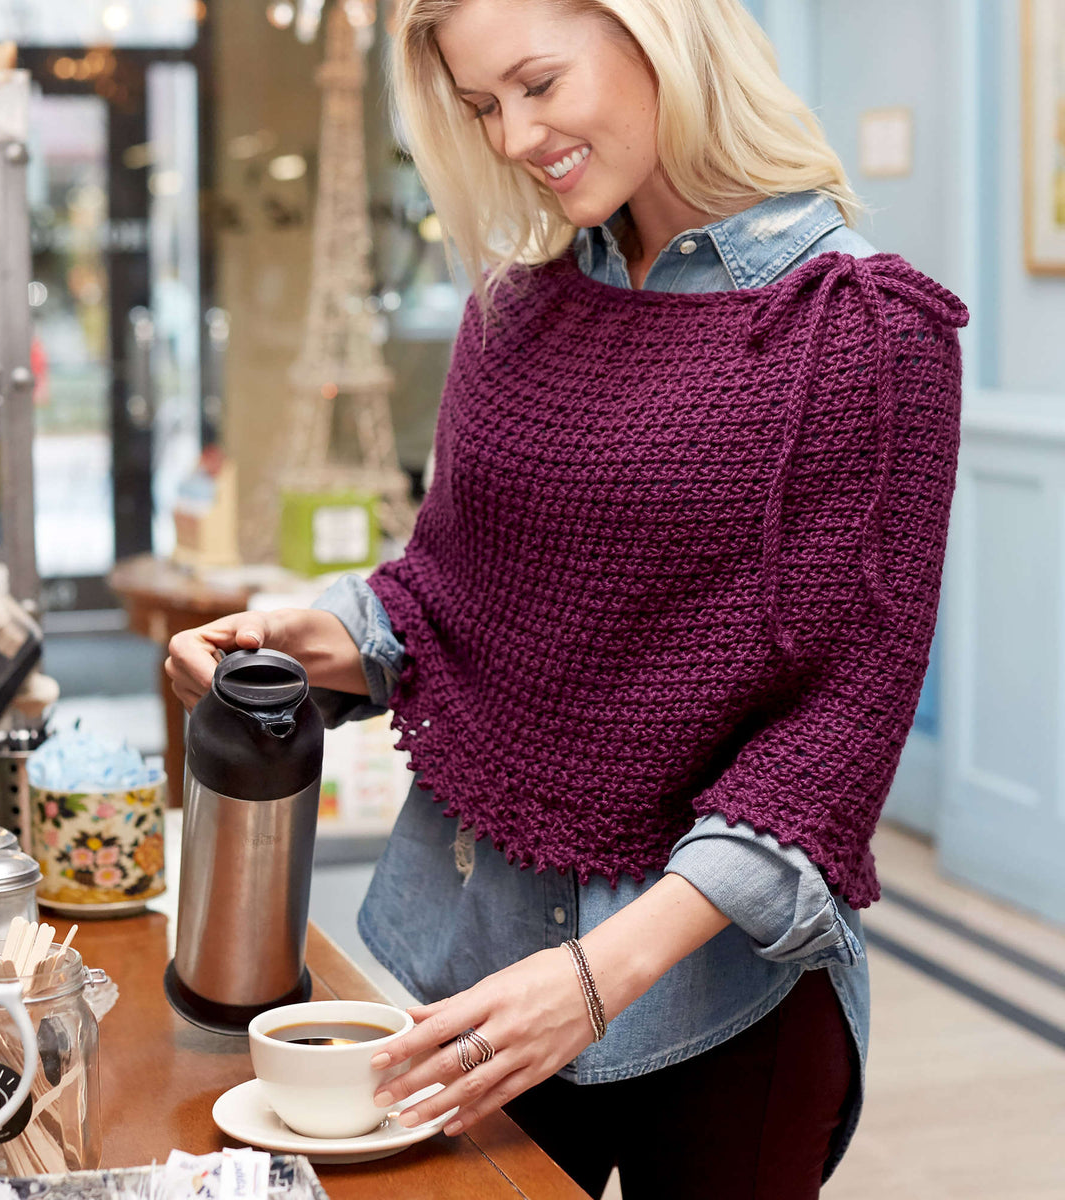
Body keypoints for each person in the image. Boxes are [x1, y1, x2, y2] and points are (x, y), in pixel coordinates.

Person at [166, 1, 969, 1195]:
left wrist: (595, 978)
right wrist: (320, 631)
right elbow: (448, 592)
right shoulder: (516, 308)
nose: (512, 136)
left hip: (716, 1005)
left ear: (662, 36)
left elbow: (839, 730)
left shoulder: (864, 334)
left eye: (539, 83)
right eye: (483, 105)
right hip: (465, 960)